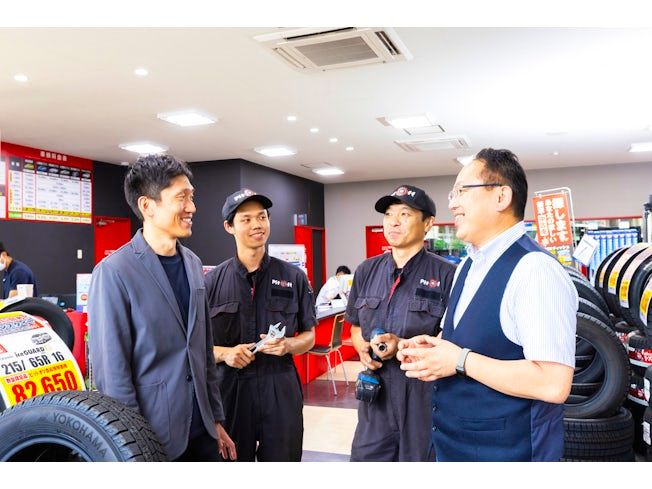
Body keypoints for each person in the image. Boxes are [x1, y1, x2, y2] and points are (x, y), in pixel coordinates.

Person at [397, 148, 578, 462]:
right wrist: (434, 349)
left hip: (509, 453)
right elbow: (472, 339)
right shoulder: (467, 266)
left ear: (501, 197)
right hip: (454, 446)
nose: (453, 203)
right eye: (453, 194)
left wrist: (460, 360)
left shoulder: (534, 270)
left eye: (462, 191)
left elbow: (552, 383)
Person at [88, 154, 235, 462]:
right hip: (154, 438)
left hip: (203, 433)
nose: (192, 207)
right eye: (182, 198)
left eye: (192, 197)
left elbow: (202, 350)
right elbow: (112, 374)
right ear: (148, 205)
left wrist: (216, 420)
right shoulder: (114, 272)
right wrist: (131, 444)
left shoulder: (193, 263)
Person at [345, 184, 456, 461]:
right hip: (375, 398)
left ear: (428, 223)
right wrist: (362, 348)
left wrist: (402, 346)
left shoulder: (447, 275)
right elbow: (356, 326)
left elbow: (452, 340)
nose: (393, 222)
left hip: (424, 398)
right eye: (388, 214)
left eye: (404, 214)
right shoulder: (366, 270)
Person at [205, 189, 316, 461]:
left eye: (262, 217)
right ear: (229, 227)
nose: (257, 224)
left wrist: (289, 345)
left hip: (280, 388)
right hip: (230, 392)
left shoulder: (294, 277)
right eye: (246, 219)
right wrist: (226, 354)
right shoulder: (210, 283)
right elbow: (195, 346)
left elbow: (310, 336)